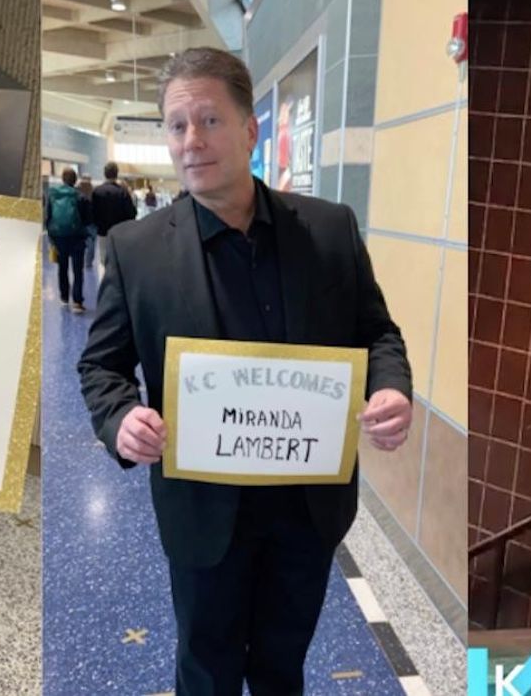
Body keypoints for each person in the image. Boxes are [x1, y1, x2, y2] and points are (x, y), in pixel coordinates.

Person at [77, 47, 412, 695]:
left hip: (305, 507)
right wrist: (121, 418)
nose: (191, 141)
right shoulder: (139, 250)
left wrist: (390, 387)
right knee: (206, 668)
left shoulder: (328, 230)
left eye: (209, 121)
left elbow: (375, 333)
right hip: (204, 512)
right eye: (177, 125)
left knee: (283, 666)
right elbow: (101, 364)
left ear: (250, 129)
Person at [45, 167, 92, 313]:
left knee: (62, 267)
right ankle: (77, 302)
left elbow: (48, 216)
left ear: (62, 179)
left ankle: (64, 297)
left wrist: (51, 236)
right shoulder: (80, 196)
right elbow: (87, 219)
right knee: (78, 270)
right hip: (77, 238)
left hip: (59, 237)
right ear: (75, 180)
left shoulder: (53, 194)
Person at [89, 162, 137, 282]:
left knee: (104, 259)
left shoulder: (97, 191)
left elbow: (92, 213)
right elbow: (131, 213)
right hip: (120, 232)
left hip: (103, 232)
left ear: (104, 174)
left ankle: (107, 281)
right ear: (117, 174)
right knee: (118, 259)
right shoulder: (123, 192)